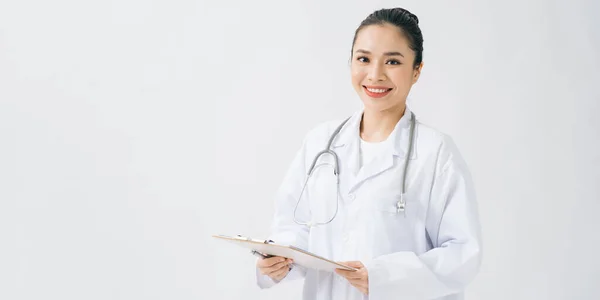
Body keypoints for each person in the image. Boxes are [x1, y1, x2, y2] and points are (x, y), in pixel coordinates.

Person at [255, 7, 482, 300]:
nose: (375, 75)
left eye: (393, 61)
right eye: (364, 59)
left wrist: (385, 277)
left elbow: (463, 254)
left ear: (417, 71)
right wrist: (279, 261)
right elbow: (294, 226)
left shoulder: (436, 152)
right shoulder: (320, 143)